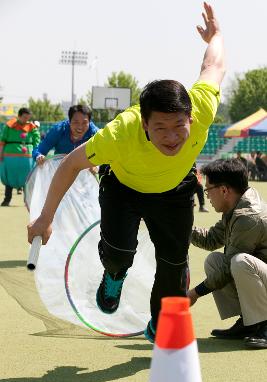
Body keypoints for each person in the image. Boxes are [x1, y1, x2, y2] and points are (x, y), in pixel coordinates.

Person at [28, 2, 225, 343]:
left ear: (190, 118)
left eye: (179, 126)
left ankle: (158, 319)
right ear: (145, 123)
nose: (172, 137)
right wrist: (45, 217)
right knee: (119, 254)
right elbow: (71, 164)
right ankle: (114, 275)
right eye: (160, 127)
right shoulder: (120, 133)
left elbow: (214, 65)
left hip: (175, 190)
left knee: (173, 261)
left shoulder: (202, 107)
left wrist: (216, 36)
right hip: (123, 189)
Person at [188, 158, 267, 349]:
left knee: (240, 262)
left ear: (224, 190)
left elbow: (229, 267)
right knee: (214, 260)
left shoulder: (248, 216)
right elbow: (212, 240)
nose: (207, 196)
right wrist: (182, 228)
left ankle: (264, 326)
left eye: (208, 190)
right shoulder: (237, 204)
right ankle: (249, 323)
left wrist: (195, 293)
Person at [32, 105, 98, 165]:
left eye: (84, 123)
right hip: (60, 167)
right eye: (76, 122)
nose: (80, 127)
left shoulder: (95, 134)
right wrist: (39, 156)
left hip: (84, 171)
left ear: (89, 122)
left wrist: (96, 166)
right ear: (69, 121)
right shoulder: (58, 130)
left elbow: (105, 151)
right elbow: (39, 150)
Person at [0, 107, 40, 206]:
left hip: (27, 158)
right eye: (24, 117)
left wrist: (38, 154)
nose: (26, 119)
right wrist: (0, 154)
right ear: (19, 116)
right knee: (9, 177)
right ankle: (7, 199)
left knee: (27, 179)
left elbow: (37, 142)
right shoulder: (9, 126)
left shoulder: (32, 127)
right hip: (10, 157)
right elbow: (2, 141)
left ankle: (28, 201)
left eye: (28, 117)